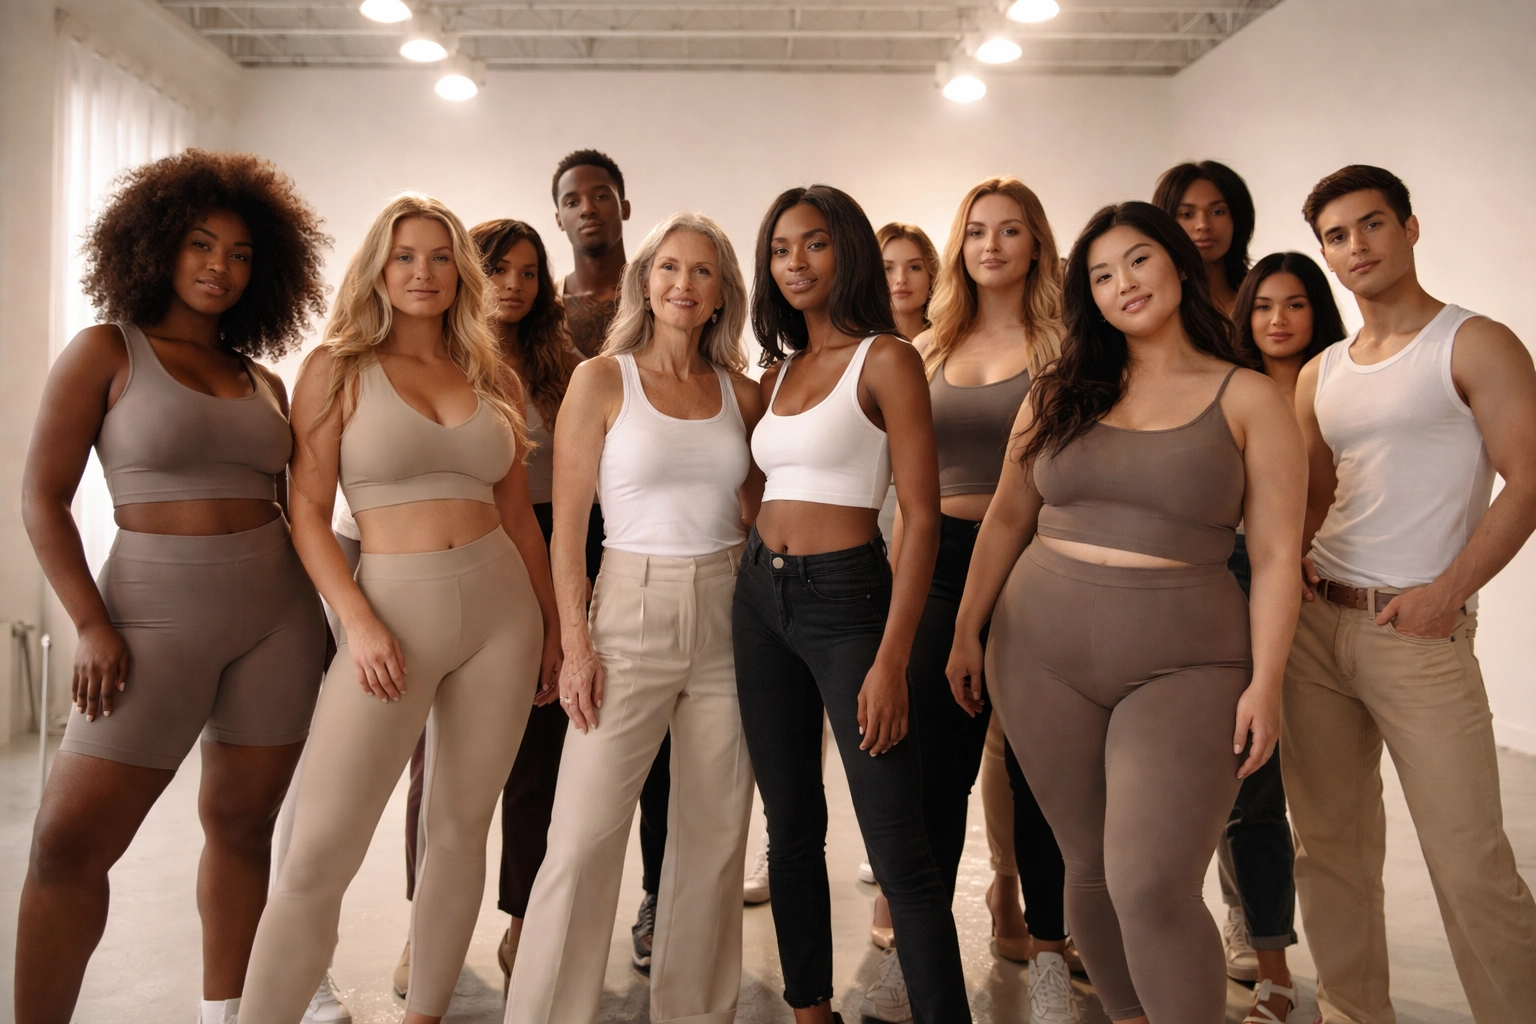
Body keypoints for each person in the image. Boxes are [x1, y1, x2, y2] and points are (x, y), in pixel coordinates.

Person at [949, 201, 1306, 1024]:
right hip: (1038, 653)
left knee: (1150, 881)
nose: (1123, 285)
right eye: (1102, 276)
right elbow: (1007, 515)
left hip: (1188, 661)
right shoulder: (1061, 391)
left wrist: (1270, 682)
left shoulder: (1248, 397)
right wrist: (969, 628)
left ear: (1179, 265)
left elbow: (1281, 556)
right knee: (1088, 867)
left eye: (1138, 261)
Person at [17, 151, 329, 1024]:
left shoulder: (262, 378)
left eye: (238, 254)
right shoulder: (105, 351)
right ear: (157, 246)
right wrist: (90, 623)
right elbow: (41, 497)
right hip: (148, 617)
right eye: (201, 245)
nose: (220, 268)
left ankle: (229, 1015)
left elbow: (296, 504)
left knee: (241, 827)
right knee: (67, 842)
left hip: (278, 621)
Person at [239, 193, 560, 1024]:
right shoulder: (336, 368)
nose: (423, 272)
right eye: (405, 256)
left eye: (441, 257)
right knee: (319, 851)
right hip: (391, 607)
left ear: (462, 274)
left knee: (459, 833)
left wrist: (555, 630)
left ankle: (425, 1015)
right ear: (378, 267)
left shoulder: (492, 373)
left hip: (502, 615)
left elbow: (519, 516)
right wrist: (358, 621)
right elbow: (306, 512)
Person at [1288, 165, 1536, 1024]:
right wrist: (1296, 570)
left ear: (1410, 228)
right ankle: (1354, 1014)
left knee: (1471, 863)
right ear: (1325, 252)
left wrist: (1446, 594)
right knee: (1330, 851)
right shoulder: (1320, 372)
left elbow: (1530, 479)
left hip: (1418, 634)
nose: (1357, 246)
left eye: (1372, 225)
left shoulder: (1474, 342)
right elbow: (1311, 498)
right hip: (1318, 632)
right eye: (1338, 235)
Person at [506, 212, 763, 1024]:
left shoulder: (743, 394)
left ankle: (695, 1012)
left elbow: (759, 514)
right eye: (670, 269)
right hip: (628, 605)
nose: (684, 285)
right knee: (581, 837)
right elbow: (570, 526)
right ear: (644, 281)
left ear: (723, 294)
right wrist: (575, 641)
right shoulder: (601, 380)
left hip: (729, 612)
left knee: (714, 840)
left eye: (703, 272)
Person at [734, 184, 970, 1024]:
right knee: (790, 824)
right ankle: (810, 1010)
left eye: (814, 244)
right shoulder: (777, 371)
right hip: (761, 600)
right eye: (779, 249)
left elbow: (923, 515)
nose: (794, 262)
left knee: (897, 845)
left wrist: (892, 659)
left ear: (849, 251)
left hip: (850, 603)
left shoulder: (889, 359)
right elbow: (757, 485)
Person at [862, 178, 1079, 1024]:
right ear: (962, 245)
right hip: (935, 563)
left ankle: (1052, 955)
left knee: (1039, 775)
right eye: (978, 230)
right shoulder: (924, 348)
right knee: (932, 778)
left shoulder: (1065, 345)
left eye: (1011, 230)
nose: (992, 245)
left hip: (1036, 563)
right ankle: (919, 955)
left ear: (1035, 244)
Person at [385, 219, 589, 998]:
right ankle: (422, 925)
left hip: (539, 559)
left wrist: (561, 609)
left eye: (530, 272)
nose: (513, 284)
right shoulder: (437, 359)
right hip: (448, 563)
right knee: (433, 765)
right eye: (497, 268)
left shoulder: (559, 371)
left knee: (538, 762)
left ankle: (520, 926)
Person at [1214, 251, 1346, 1024]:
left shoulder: (1341, 387)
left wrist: (1301, 555)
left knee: (1300, 797)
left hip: (1319, 588)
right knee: (1243, 786)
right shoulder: (1229, 390)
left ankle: (1298, 968)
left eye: (1295, 304)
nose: (1277, 320)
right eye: (1263, 306)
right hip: (1233, 583)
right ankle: (1262, 957)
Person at [550, 148, 673, 964]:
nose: (588, 207)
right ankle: (541, 915)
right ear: (558, 214)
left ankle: (659, 896)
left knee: (659, 739)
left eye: (601, 195)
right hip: (561, 523)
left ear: (625, 205)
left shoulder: (659, 294)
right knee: (569, 730)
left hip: (651, 529)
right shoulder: (541, 311)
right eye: (572, 198)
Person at [1153, 160, 1254, 316]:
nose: (1203, 225)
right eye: (1187, 214)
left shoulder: (1260, 301)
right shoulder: (1155, 309)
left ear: (1239, 218)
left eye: (1217, 212)